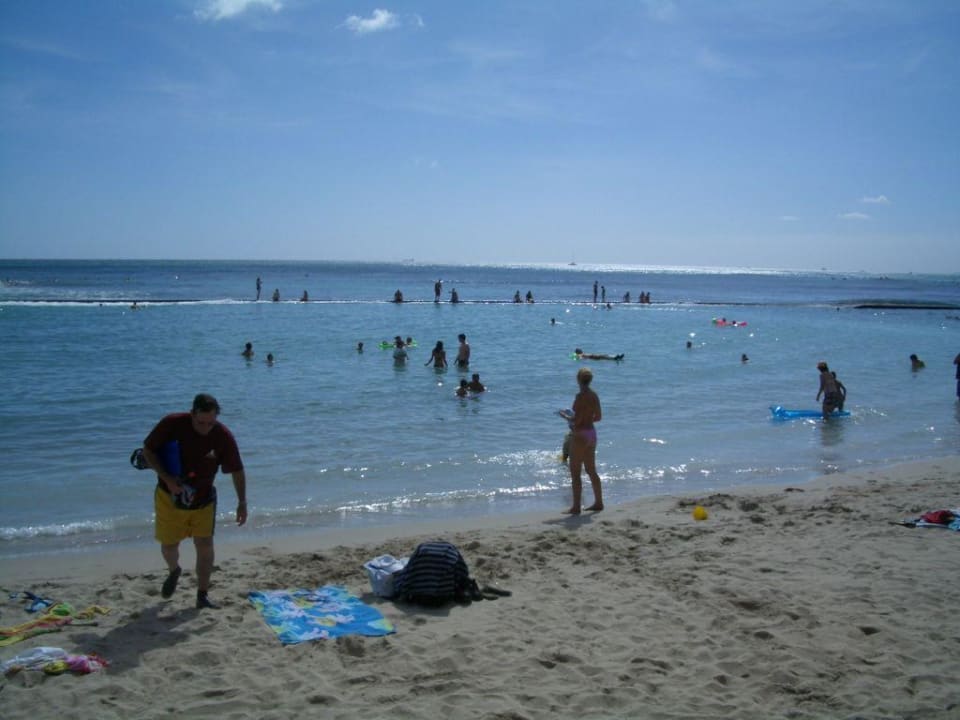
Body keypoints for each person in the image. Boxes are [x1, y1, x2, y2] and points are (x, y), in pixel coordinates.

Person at [142, 393, 247, 610]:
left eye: (211, 422)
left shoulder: (222, 435)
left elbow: (236, 469)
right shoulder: (172, 424)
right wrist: (167, 478)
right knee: (169, 545)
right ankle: (174, 570)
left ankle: (202, 595)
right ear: (192, 414)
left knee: (205, 545)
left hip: (204, 498)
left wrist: (242, 502)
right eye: (201, 422)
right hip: (169, 496)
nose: (206, 428)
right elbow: (148, 450)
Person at [565, 367, 604, 514]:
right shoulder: (594, 396)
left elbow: (574, 418)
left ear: (578, 380)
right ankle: (599, 502)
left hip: (580, 434)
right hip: (591, 433)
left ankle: (576, 507)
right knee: (591, 470)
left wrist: (564, 415)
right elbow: (599, 417)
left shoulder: (580, 397)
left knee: (575, 473)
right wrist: (588, 419)